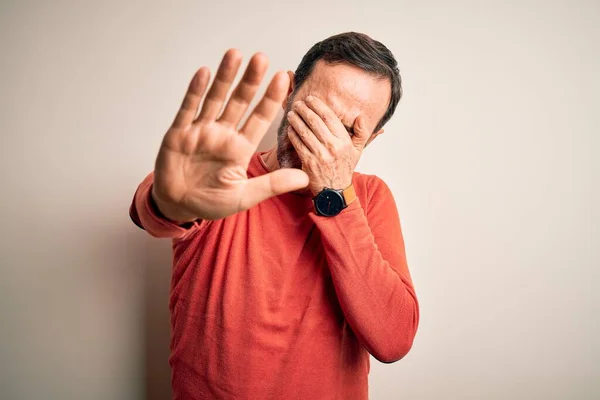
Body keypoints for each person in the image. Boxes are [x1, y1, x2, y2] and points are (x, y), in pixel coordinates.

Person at [129, 31, 419, 400]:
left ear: (371, 139)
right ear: (289, 93)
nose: (322, 140)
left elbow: (392, 340)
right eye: (317, 113)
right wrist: (169, 202)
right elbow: (156, 210)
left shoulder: (370, 196)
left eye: (347, 131)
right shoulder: (224, 178)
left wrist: (334, 195)